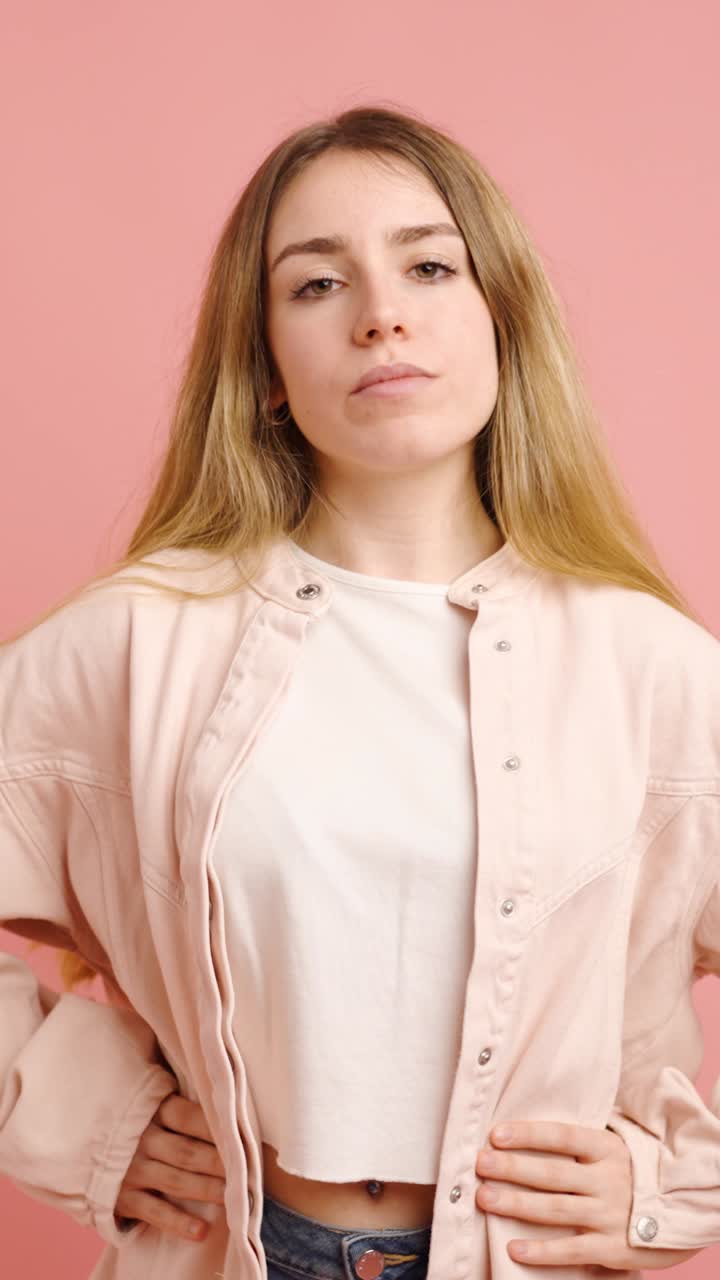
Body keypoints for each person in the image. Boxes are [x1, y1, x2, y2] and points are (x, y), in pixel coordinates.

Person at [1, 103, 719, 1280]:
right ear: (269, 369)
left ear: (504, 321)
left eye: (430, 265)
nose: (382, 310)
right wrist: (75, 1117)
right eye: (317, 285)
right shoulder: (137, 640)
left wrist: (673, 1184)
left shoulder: (650, 666)